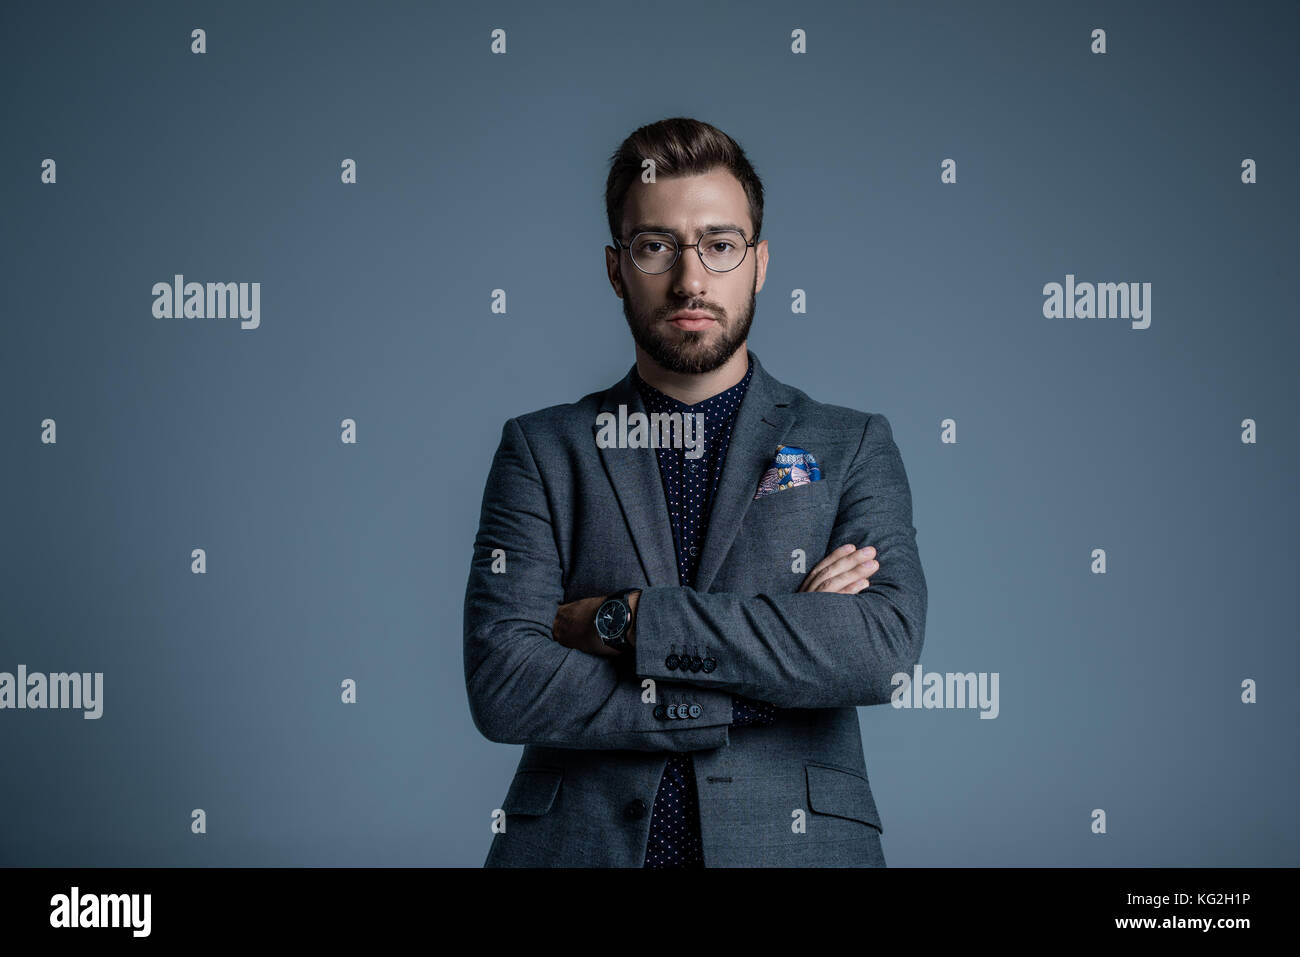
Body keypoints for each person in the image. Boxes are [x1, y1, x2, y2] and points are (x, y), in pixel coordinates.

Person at [463, 117, 927, 867]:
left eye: (720, 244)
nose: (691, 279)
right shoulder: (542, 449)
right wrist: (772, 667)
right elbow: (504, 681)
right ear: (617, 268)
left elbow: (879, 650)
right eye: (657, 246)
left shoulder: (850, 444)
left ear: (760, 263)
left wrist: (629, 620)